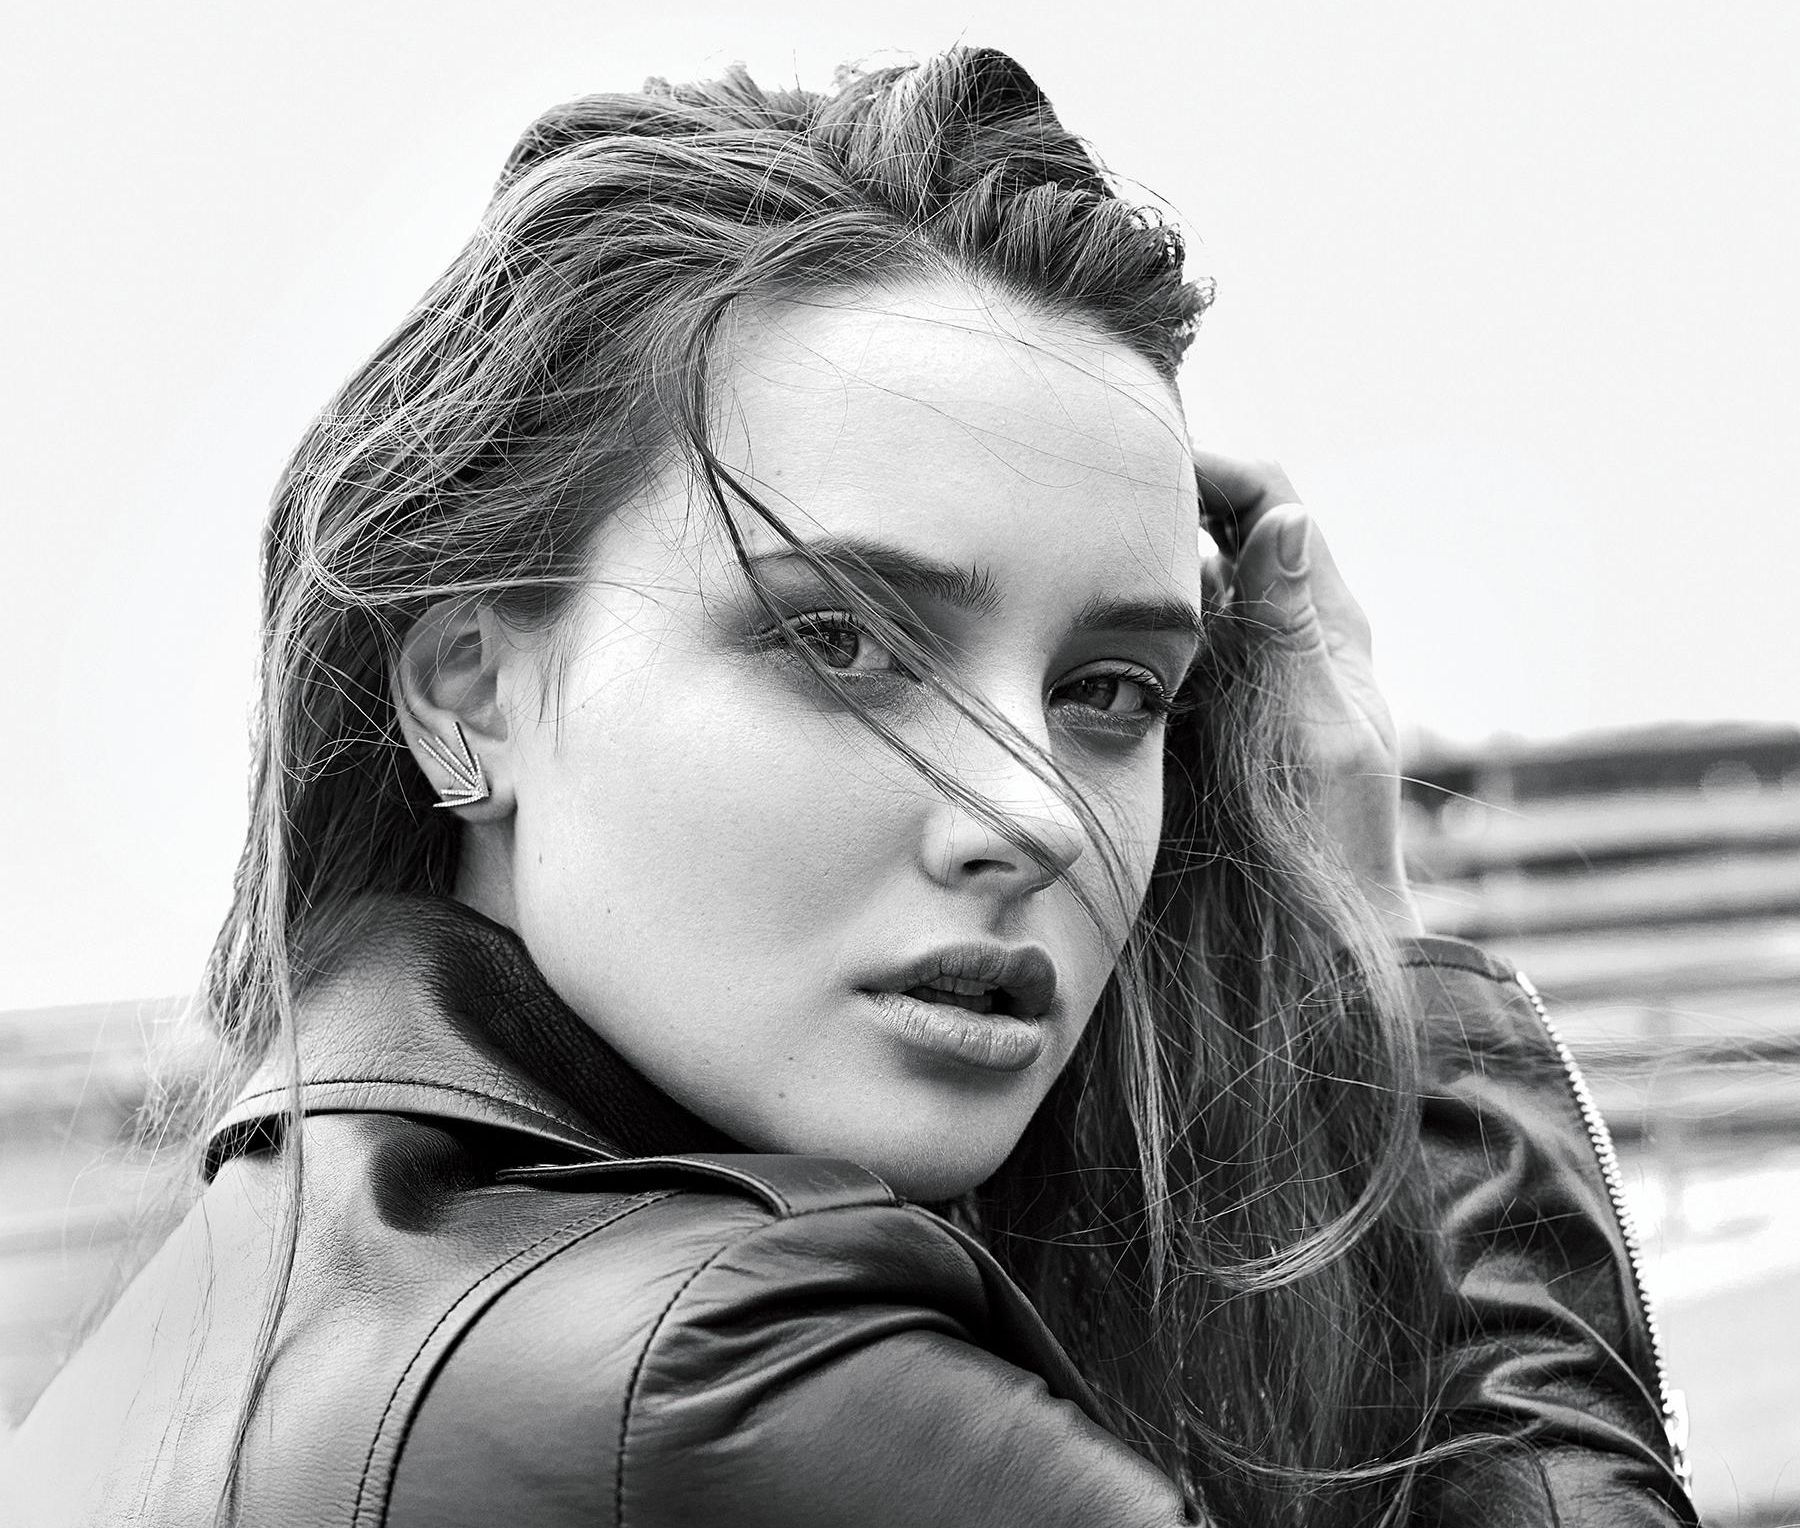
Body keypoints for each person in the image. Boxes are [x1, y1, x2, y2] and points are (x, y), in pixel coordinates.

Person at [1, 47, 1694, 1528]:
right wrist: (1399, 986)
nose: (1036, 814)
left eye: (1114, 691)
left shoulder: (159, 1359)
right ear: (469, 695)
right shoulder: (730, 1380)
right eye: (841, 642)